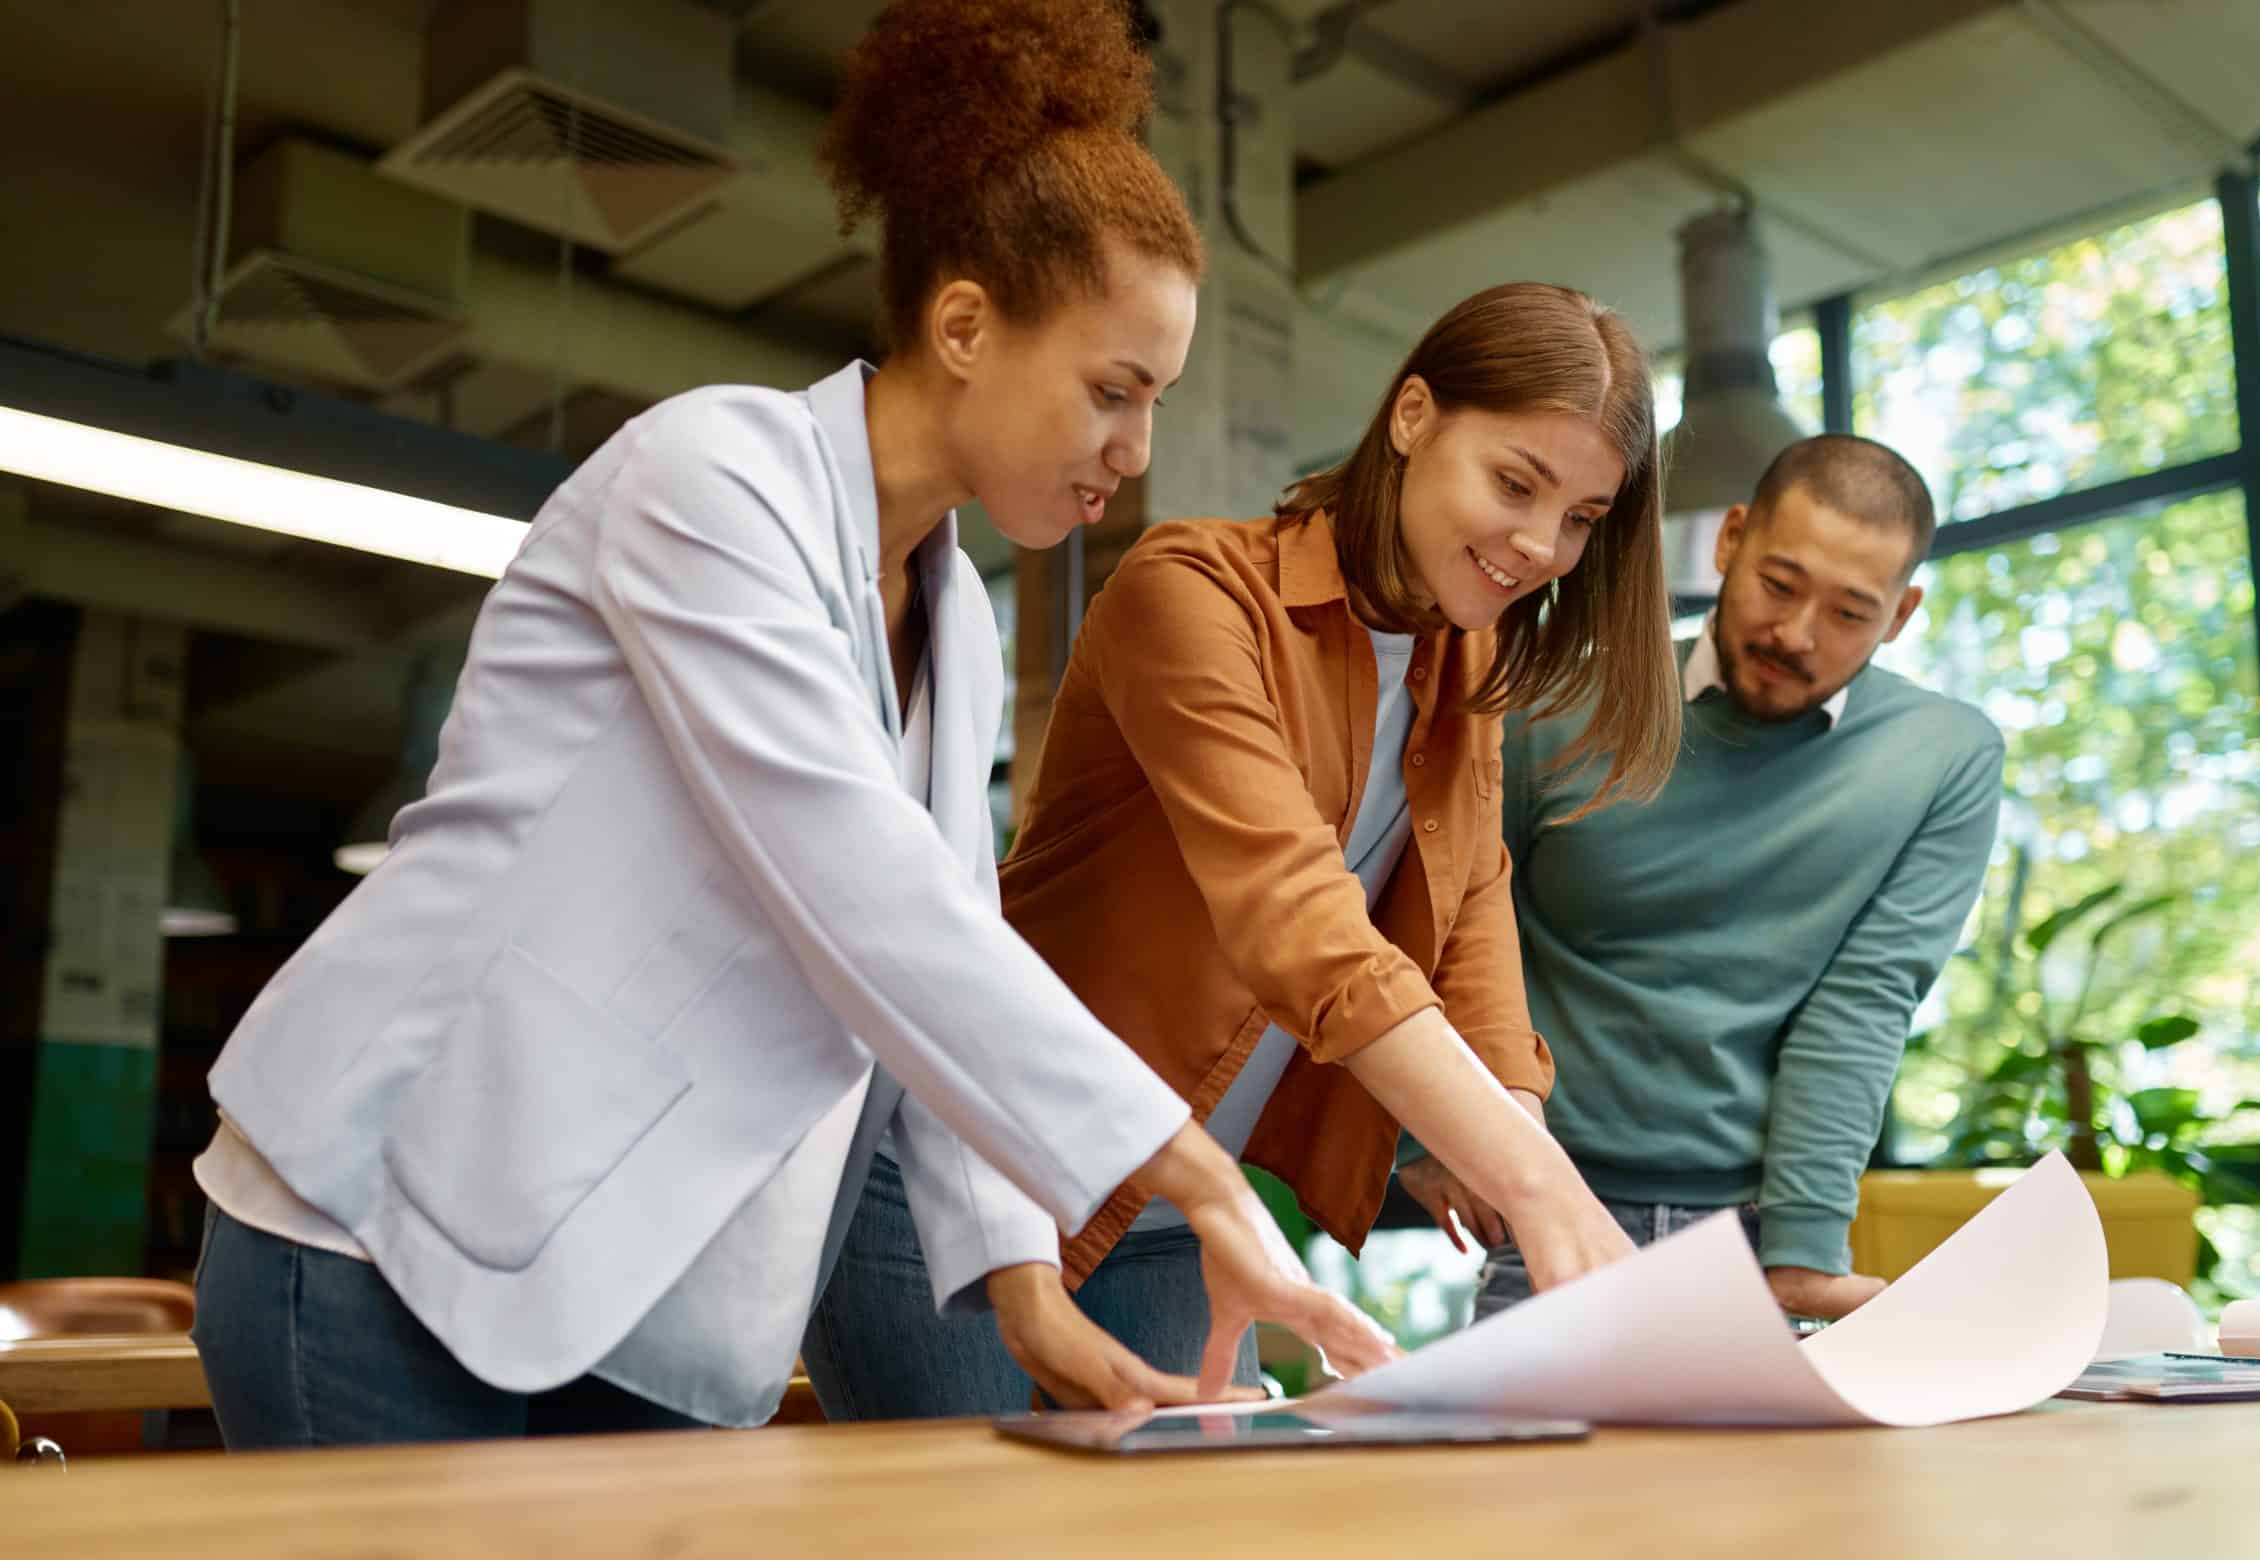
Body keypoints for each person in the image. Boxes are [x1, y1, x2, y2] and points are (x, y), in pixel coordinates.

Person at [185, 0, 1392, 1449]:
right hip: (382, 1219)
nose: (1133, 452)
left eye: (1155, 402)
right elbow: (868, 903)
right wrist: (1190, 1171)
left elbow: (939, 969)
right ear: (963, 324)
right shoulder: (709, 481)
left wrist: (1022, 1285)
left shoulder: (953, 619)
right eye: (1111, 391)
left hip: (627, 1286)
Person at [808, 282, 1684, 1419]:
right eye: (1515, 482)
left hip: (1171, 1208)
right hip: (958, 1170)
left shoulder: (1462, 670)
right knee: (976, 1558)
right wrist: (1543, 1183)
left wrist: (1506, 1129)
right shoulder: (1192, 590)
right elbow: (1299, 921)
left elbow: (1472, 909)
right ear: (1412, 415)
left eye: (1580, 516)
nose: (1537, 543)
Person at [1401, 434, 2004, 1324]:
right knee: (1526, 1471)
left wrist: (1803, 1248)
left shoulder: (1943, 757)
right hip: (1547, 1208)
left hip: (1751, 1240)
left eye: (1848, 613)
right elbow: (1441, 911)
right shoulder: (1557, 699)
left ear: (1903, 614)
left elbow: (1865, 1001)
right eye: (1779, 584)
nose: (1795, 635)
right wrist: (1429, 1130)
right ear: (1730, 542)